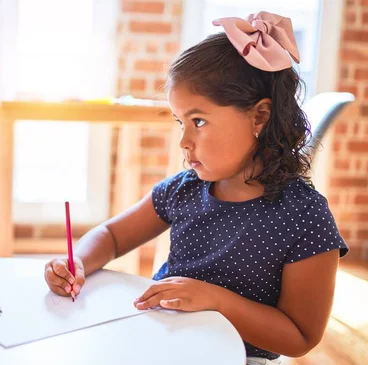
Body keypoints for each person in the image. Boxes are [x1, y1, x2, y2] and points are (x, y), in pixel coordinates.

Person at [44, 11, 348, 364]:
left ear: (259, 116)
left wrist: (217, 300)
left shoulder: (305, 216)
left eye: (198, 121)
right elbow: (112, 236)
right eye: (180, 122)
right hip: (157, 341)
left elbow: (300, 336)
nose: (184, 141)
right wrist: (77, 261)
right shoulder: (185, 189)